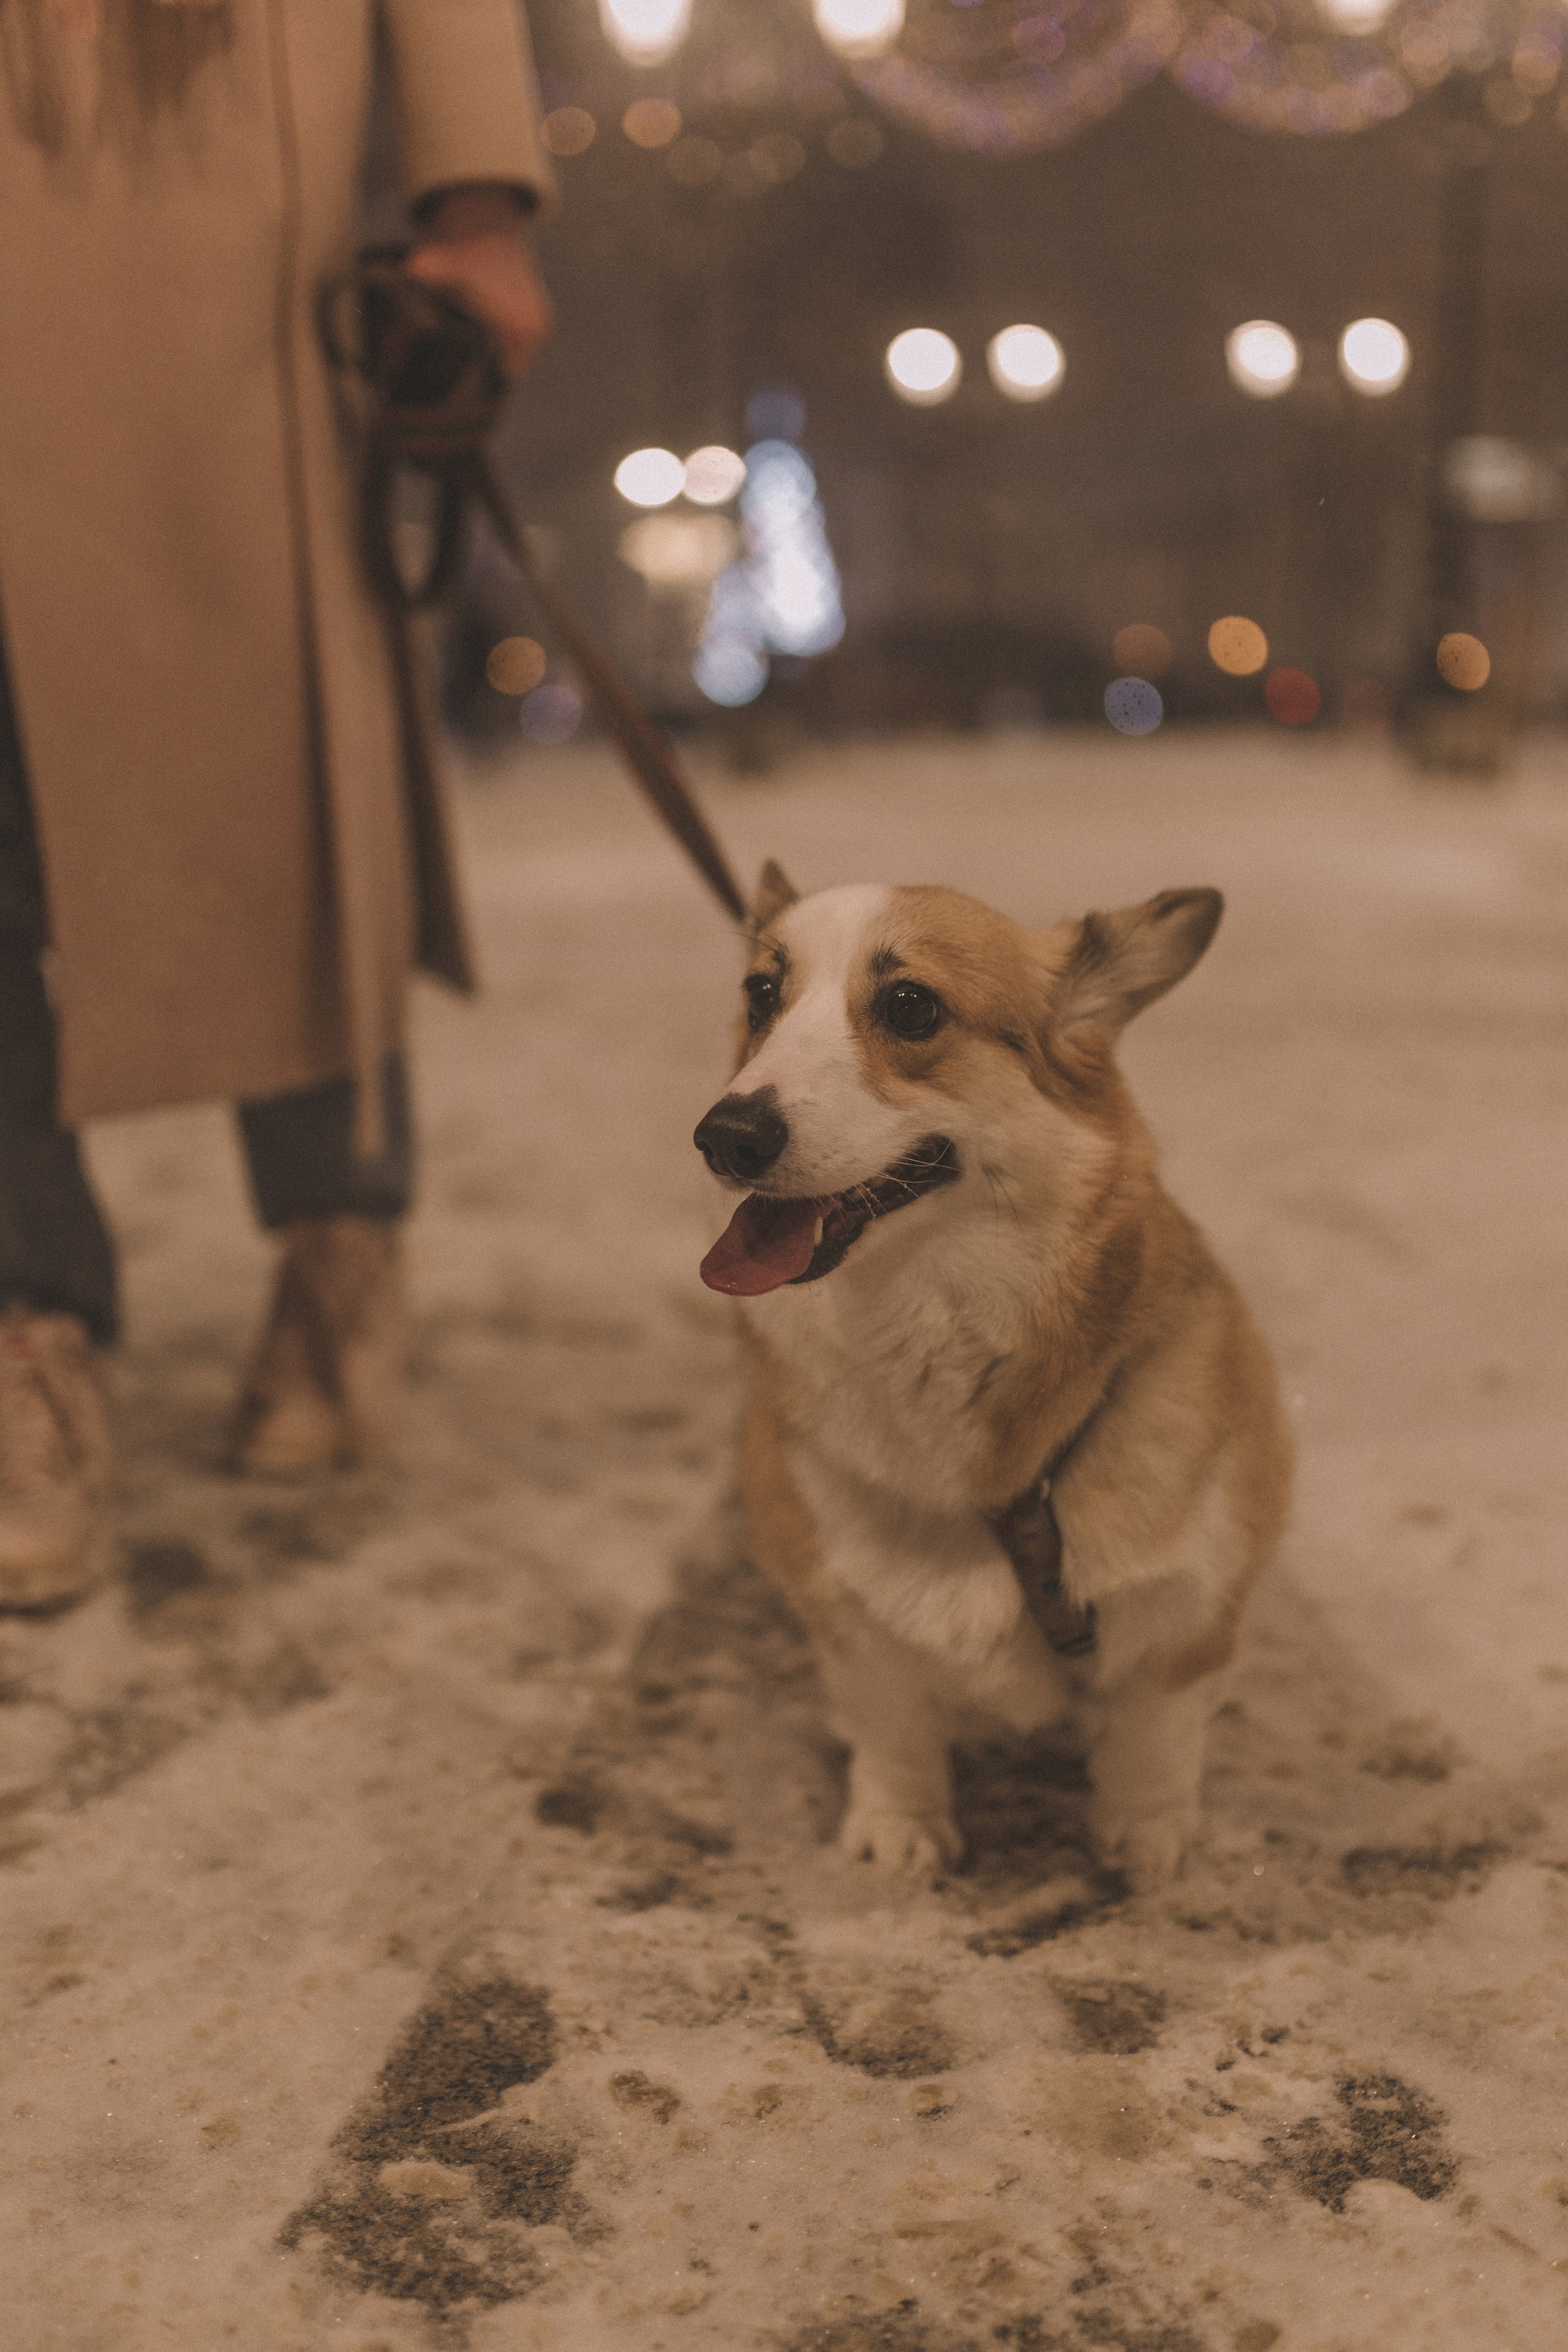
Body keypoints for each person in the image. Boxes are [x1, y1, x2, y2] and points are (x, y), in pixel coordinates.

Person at [0, 0, 556, 1605]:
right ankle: (25, 1323)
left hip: (216, 147)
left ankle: (338, 1239)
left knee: (287, 749)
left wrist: (477, 200)